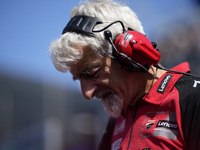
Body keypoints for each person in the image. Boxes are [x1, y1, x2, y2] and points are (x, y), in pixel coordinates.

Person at [49, 0, 200, 149]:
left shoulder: (192, 98)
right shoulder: (116, 118)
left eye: (92, 73)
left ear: (130, 54)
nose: (86, 93)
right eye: (78, 79)